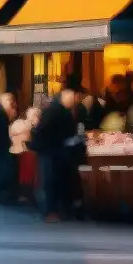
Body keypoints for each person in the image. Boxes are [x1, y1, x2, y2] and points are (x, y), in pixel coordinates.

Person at [34, 87, 80, 222]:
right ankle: (51, 212)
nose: (74, 102)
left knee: (49, 181)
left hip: (47, 150)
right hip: (53, 152)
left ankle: (50, 210)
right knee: (52, 181)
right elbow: (68, 134)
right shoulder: (61, 112)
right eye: (72, 99)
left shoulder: (50, 110)